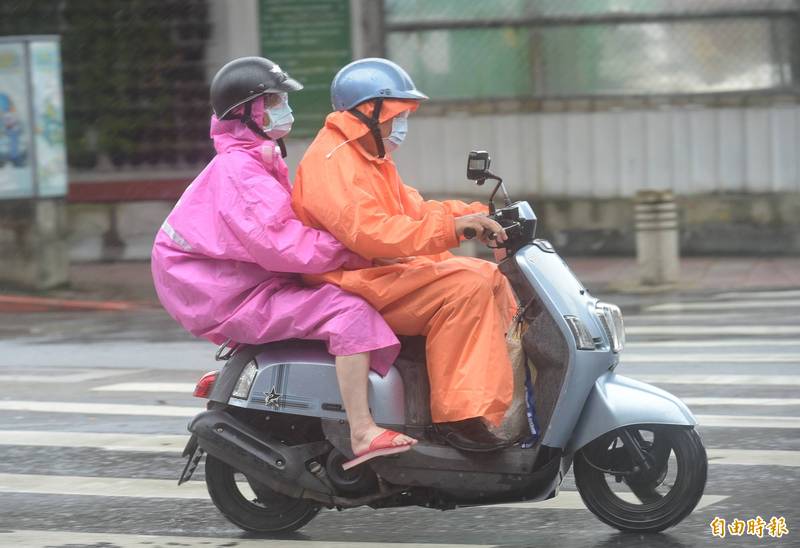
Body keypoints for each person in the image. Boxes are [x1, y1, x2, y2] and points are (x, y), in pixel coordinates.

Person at [150, 56, 416, 468]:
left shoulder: (258, 158)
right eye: (272, 100)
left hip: (242, 280)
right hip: (229, 293)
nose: (283, 108)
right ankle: (363, 430)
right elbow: (282, 244)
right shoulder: (242, 170)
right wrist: (352, 246)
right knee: (349, 313)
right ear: (247, 112)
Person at [292, 58, 517, 452]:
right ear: (368, 111)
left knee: (489, 276)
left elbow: (412, 210)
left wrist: (474, 215)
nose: (402, 123)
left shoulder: (370, 157)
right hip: (353, 278)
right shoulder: (332, 162)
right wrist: (454, 229)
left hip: (381, 270)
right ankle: (461, 417)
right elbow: (371, 233)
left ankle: (506, 403)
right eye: (396, 112)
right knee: (465, 287)